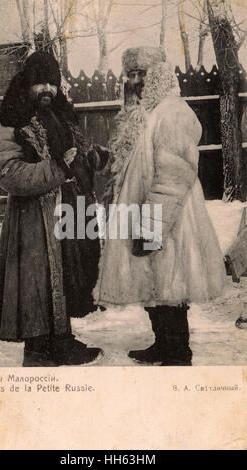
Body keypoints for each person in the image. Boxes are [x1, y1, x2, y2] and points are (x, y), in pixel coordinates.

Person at [95, 46, 226, 366]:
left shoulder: (173, 113)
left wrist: (151, 226)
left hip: (170, 217)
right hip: (145, 211)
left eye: (143, 73)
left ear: (159, 74)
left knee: (170, 283)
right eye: (132, 74)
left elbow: (173, 176)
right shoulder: (143, 114)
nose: (136, 81)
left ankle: (178, 350)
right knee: (151, 281)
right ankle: (162, 344)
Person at [0, 51, 108, 366]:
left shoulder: (63, 114)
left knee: (64, 276)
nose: (47, 90)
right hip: (33, 219)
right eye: (40, 82)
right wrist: (56, 170)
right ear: (27, 83)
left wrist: (91, 159)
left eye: (52, 83)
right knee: (37, 282)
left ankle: (62, 341)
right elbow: (6, 172)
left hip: (68, 211)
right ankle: (37, 351)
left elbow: (74, 155)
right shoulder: (14, 118)